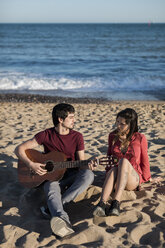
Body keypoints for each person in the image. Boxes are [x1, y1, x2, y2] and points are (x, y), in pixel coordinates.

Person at [15, 103, 94, 238]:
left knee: (88, 175)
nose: (74, 120)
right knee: (51, 188)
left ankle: (54, 207)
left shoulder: (77, 136)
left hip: (71, 174)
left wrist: (88, 164)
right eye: (71, 117)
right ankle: (63, 220)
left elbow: (81, 162)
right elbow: (18, 149)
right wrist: (31, 164)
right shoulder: (46, 135)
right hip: (51, 176)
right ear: (60, 120)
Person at [93, 108, 151, 217]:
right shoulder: (112, 136)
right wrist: (108, 175)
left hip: (132, 179)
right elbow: (109, 158)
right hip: (115, 177)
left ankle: (116, 202)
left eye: (122, 124)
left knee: (123, 162)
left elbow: (145, 161)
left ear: (131, 125)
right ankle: (101, 204)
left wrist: (145, 179)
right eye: (117, 122)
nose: (118, 126)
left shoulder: (140, 138)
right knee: (114, 168)